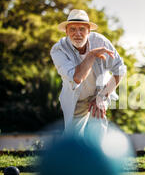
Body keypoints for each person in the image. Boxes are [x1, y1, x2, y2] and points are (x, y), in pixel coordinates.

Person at [50, 9, 126, 137]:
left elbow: (120, 69)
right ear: (66, 31)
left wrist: (102, 96)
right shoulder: (58, 50)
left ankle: (99, 155)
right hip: (75, 97)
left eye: (82, 29)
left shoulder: (100, 41)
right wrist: (91, 55)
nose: (77, 33)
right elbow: (77, 78)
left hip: (98, 92)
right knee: (73, 138)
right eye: (73, 29)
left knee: (98, 130)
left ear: (89, 31)